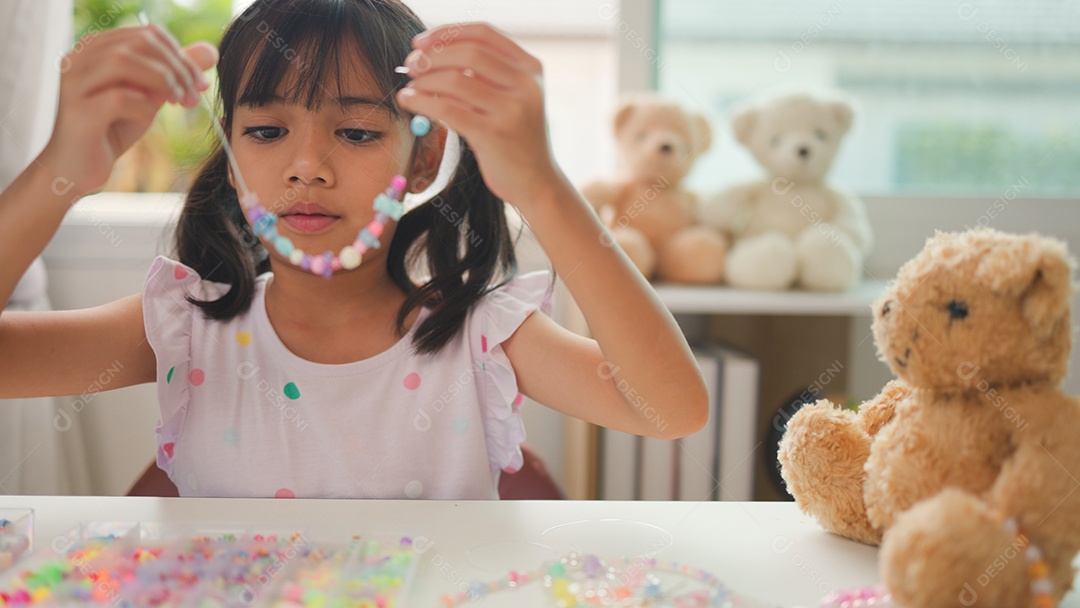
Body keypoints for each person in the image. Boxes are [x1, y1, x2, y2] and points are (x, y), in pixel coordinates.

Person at [0, 0, 707, 499]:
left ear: (423, 161)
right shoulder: (184, 328)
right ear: (230, 147)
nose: (307, 166)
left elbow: (670, 409)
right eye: (268, 132)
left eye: (358, 133)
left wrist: (542, 186)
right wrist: (61, 173)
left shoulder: (477, 336)